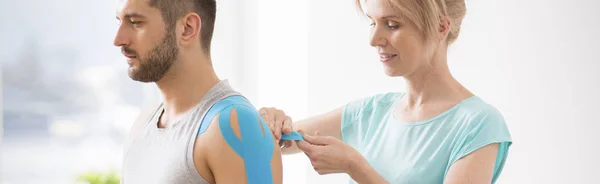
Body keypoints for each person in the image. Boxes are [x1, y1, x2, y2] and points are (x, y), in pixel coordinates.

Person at [259, 0, 512, 183]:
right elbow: (285, 141)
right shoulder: (371, 113)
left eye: (391, 25)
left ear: (440, 27)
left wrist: (356, 168)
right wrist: (270, 124)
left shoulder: (478, 125)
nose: (373, 39)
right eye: (373, 22)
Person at [114, 0, 282, 183]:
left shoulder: (235, 125)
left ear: (187, 28)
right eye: (119, 21)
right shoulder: (141, 125)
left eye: (136, 22)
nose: (118, 40)